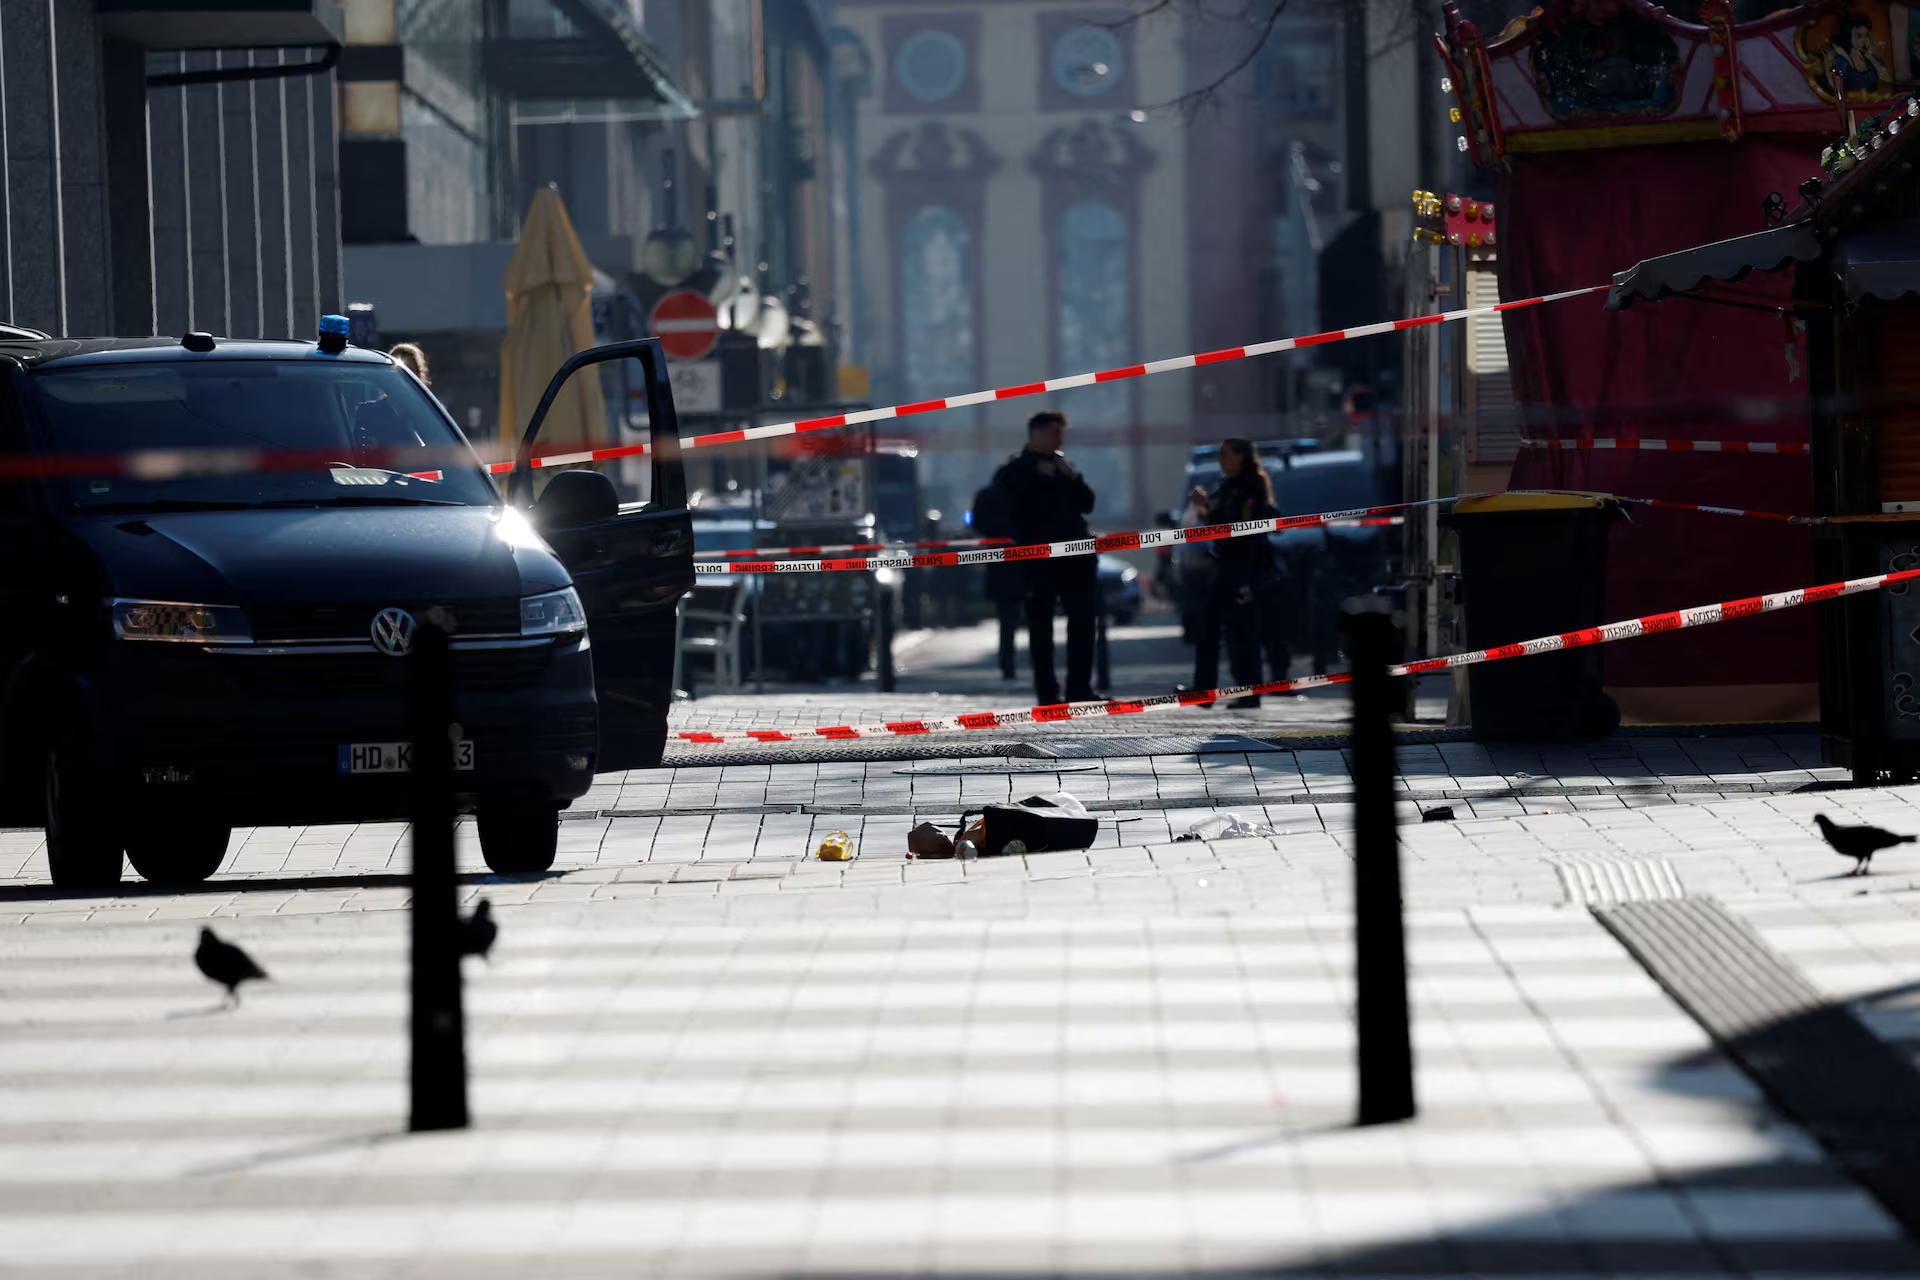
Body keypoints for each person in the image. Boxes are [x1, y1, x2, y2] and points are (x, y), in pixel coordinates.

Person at [989, 411, 1098, 705]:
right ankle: (1048, 693)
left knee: (1084, 621)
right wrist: (1036, 481)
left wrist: (1072, 478)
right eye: (1055, 432)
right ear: (1036, 433)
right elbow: (1007, 511)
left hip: (1076, 555)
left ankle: (1080, 686)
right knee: (1041, 625)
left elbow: (1088, 504)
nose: (1059, 439)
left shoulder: (1064, 466)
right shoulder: (1015, 470)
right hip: (1039, 557)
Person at [1187, 437, 1279, 709]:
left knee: (1242, 631)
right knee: (1209, 629)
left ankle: (1249, 693)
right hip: (1225, 564)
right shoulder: (1226, 485)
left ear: (1241, 456)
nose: (1221, 459)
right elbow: (1217, 521)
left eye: (1226, 454)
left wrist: (1249, 580)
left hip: (1244, 565)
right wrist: (1204, 508)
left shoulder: (1251, 487)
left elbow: (1244, 528)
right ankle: (1204, 690)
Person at [971, 479, 1022, 679]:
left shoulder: (989, 494)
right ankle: (1013, 665)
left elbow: (978, 523)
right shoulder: (1027, 490)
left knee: (1007, 619)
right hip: (1025, 563)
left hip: (1001, 563)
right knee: (1021, 617)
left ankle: (1007, 665)